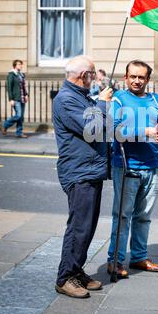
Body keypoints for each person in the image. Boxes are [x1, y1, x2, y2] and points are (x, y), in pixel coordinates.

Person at [53, 55, 113, 298]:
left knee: (87, 227)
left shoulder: (80, 96)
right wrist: (102, 103)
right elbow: (92, 128)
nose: (95, 76)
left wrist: (100, 101)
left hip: (90, 169)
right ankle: (65, 277)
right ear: (82, 76)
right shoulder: (66, 99)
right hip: (79, 172)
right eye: (92, 73)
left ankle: (76, 271)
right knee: (79, 227)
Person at [107, 60, 158, 279]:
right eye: (132, 76)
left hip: (153, 167)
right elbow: (115, 131)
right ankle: (114, 261)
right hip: (127, 167)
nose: (136, 81)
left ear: (148, 80)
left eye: (141, 77)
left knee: (143, 217)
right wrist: (144, 131)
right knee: (123, 216)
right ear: (125, 78)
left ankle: (139, 257)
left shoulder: (156, 99)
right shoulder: (118, 99)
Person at [2, 59, 29, 138]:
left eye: (21, 64)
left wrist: (26, 94)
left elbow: (23, 86)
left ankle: (19, 133)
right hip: (16, 98)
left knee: (21, 117)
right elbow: (9, 88)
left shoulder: (21, 74)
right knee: (18, 115)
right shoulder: (11, 75)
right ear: (15, 65)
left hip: (22, 98)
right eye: (19, 64)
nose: (21, 66)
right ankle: (5, 124)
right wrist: (11, 99)